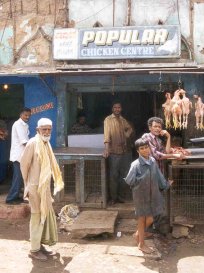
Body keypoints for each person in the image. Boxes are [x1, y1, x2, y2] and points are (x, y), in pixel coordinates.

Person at [20, 118, 64, 261]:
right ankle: (34, 249)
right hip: (34, 188)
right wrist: (28, 185)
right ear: (38, 130)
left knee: (44, 216)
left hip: (44, 188)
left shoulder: (46, 143)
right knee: (36, 217)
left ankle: (40, 245)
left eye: (49, 129)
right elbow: (23, 165)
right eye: (44, 129)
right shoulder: (33, 143)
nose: (46, 132)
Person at [124, 138, 173, 254]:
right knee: (141, 219)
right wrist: (142, 181)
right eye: (142, 148)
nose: (145, 150)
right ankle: (141, 244)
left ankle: (138, 234)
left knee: (150, 218)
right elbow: (130, 181)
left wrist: (166, 184)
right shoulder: (135, 165)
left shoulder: (152, 161)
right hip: (141, 195)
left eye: (146, 147)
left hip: (153, 194)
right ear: (138, 151)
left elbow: (159, 176)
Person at [103, 101, 133, 205]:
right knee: (113, 176)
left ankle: (120, 197)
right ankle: (113, 198)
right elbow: (106, 136)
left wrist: (126, 135)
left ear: (121, 109)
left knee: (123, 175)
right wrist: (106, 149)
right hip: (114, 152)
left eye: (119, 107)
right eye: (115, 107)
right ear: (112, 109)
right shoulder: (108, 119)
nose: (117, 109)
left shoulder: (122, 119)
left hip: (124, 152)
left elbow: (130, 128)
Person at [6, 107, 31, 204]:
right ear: (21, 114)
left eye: (29, 115)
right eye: (25, 115)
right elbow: (24, 141)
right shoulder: (18, 124)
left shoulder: (24, 125)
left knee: (20, 177)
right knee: (17, 177)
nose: (27, 117)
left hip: (22, 155)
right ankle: (10, 198)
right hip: (18, 155)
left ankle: (16, 196)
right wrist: (35, 147)